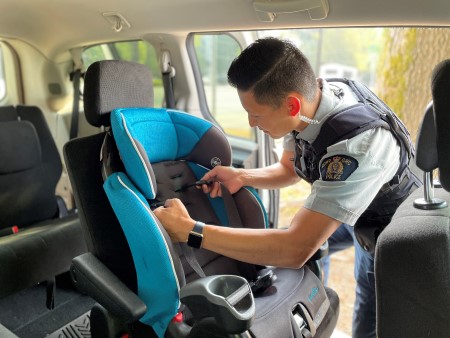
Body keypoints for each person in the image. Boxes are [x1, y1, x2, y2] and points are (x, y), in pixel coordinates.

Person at [154, 37, 421, 338]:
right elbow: (288, 169)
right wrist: (243, 177)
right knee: (313, 244)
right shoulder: (308, 104)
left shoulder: (358, 146)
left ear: (292, 104)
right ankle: (316, 296)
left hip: (390, 227)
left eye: (256, 113)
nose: (251, 123)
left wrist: (191, 231)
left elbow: (295, 249)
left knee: (369, 315)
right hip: (357, 206)